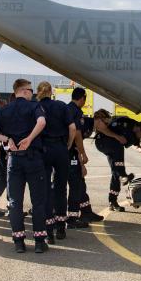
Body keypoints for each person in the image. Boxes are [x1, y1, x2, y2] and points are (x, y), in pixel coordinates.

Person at [0, 79, 49, 254]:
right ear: (24, 91)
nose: (32, 93)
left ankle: (19, 241)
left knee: (14, 202)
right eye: (31, 90)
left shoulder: (5, 110)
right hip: (33, 158)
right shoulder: (33, 106)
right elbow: (42, 122)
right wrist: (30, 138)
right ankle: (39, 241)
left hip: (14, 159)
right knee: (38, 201)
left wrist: (6, 140)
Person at [36, 81, 75, 242]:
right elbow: (72, 128)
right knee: (60, 188)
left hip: (43, 150)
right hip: (60, 149)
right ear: (51, 92)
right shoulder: (61, 105)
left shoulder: (36, 107)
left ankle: (48, 231)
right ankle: (61, 227)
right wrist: (68, 144)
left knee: (44, 190)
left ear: (38, 92)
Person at [94, 110, 141, 211]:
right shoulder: (124, 122)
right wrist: (117, 136)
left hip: (114, 149)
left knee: (115, 173)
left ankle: (113, 201)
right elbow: (104, 129)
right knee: (119, 146)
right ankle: (123, 175)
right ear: (138, 127)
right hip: (103, 141)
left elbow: (136, 145)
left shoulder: (136, 135)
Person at [65, 88, 98, 227]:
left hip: (63, 152)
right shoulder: (76, 112)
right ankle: (72, 218)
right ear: (82, 98)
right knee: (76, 185)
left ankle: (86, 211)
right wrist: (82, 153)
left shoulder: (66, 109)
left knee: (79, 183)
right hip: (70, 153)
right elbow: (77, 133)